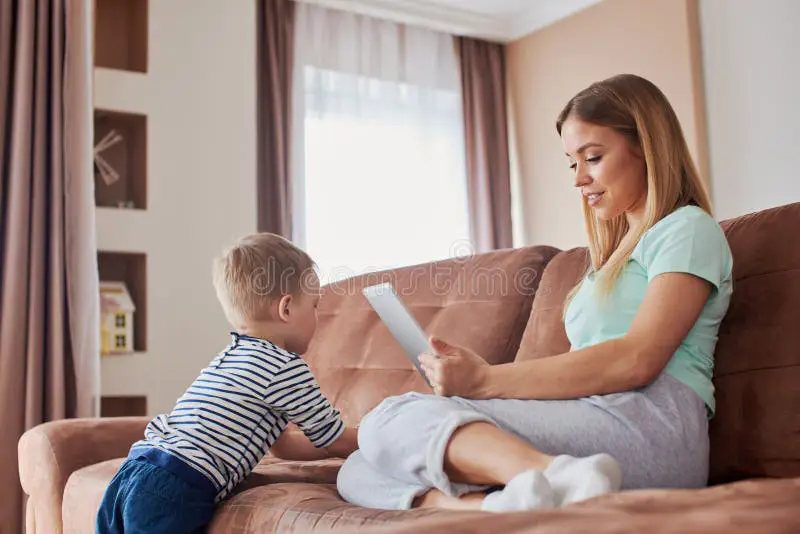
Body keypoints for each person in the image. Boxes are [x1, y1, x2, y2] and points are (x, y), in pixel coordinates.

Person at [336, 73, 733, 513]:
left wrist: (487, 382)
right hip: (596, 419)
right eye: (571, 163)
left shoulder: (687, 229)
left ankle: (546, 475)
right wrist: (482, 387)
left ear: (647, 146)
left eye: (593, 157)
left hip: (653, 427)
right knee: (358, 465)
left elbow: (638, 358)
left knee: (391, 419)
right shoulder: (612, 257)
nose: (579, 179)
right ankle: (498, 507)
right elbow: (584, 372)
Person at [96, 233, 359, 533]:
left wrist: (327, 450)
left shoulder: (232, 357)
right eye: (314, 306)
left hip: (134, 471)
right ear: (286, 309)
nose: (318, 316)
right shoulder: (285, 367)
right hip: (175, 486)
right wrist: (375, 437)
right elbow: (334, 437)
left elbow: (283, 447)